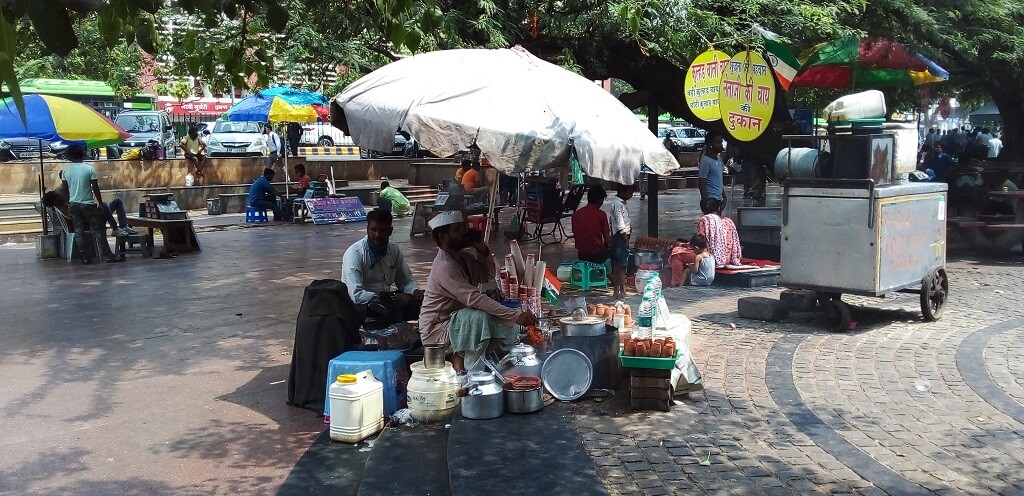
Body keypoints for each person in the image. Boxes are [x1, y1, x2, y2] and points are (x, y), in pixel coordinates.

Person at [418, 211, 537, 372]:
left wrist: (482, 248)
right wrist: (514, 315)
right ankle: (473, 373)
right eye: (458, 229)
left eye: (464, 227)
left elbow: (485, 275)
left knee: (498, 319)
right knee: (479, 318)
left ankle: (477, 361)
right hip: (437, 330)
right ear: (443, 237)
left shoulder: (463, 258)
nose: (465, 231)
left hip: (457, 321)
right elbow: (474, 299)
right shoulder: (445, 267)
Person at [342, 208, 422, 321]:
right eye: (373, 230)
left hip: (386, 301)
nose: (377, 235)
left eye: (383, 231)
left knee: (422, 305)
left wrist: (415, 292)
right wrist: (394, 298)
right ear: (367, 229)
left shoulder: (394, 250)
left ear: (390, 231)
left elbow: (406, 281)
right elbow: (356, 295)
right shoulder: (355, 254)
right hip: (360, 306)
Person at [59, 145, 124, 264]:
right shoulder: (89, 169)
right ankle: (108, 255)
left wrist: (68, 202)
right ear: (83, 154)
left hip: (74, 204)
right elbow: (95, 188)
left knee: (79, 231)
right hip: (88, 204)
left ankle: (84, 256)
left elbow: (65, 189)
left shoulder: (65, 171)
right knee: (99, 229)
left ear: (69, 156)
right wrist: (100, 203)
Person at [42, 190, 138, 237]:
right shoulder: (63, 209)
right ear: (54, 201)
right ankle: (115, 228)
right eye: (57, 196)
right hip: (90, 223)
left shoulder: (63, 205)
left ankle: (122, 226)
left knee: (117, 201)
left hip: (91, 217)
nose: (60, 195)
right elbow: (78, 219)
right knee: (104, 205)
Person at [696, 198, 742, 268]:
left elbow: (700, 242)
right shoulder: (729, 221)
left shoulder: (705, 220)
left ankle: (677, 279)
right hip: (730, 259)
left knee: (677, 253)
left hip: (711, 259)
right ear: (719, 208)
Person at [571, 185, 610, 264]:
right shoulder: (601, 214)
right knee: (618, 251)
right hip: (597, 254)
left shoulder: (576, 215)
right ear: (600, 200)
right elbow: (608, 240)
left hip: (581, 254)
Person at [609, 183, 634, 299]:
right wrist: (625, 238)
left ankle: (618, 290)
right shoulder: (618, 205)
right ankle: (621, 290)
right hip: (620, 237)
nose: (631, 195)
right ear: (622, 191)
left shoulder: (619, 203)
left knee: (617, 265)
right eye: (629, 192)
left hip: (619, 237)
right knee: (621, 265)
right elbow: (620, 223)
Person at [699, 132, 726, 212]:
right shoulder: (706, 161)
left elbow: (719, 180)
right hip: (711, 200)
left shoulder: (719, 160)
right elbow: (701, 183)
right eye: (718, 142)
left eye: (721, 142)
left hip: (718, 199)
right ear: (711, 143)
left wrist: (724, 196)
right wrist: (706, 200)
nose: (721, 145)